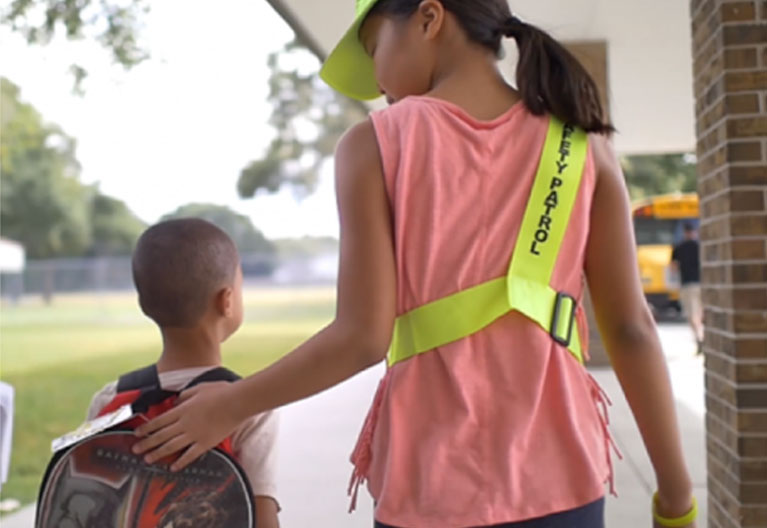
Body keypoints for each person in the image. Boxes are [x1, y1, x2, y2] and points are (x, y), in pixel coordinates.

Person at [132, 2, 697, 527]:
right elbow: (630, 329)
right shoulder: (583, 147)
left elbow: (362, 337)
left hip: (431, 489)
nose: (377, 80)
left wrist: (232, 403)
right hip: (567, 481)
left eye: (374, 47)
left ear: (429, 18)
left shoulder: (373, 145)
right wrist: (675, 496)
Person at [87, 218, 280, 528]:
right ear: (227, 300)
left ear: (144, 304)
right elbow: (263, 519)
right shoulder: (247, 405)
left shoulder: (110, 399)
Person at [672, 223, 703, 353]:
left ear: (685, 232)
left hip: (687, 284)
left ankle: (699, 337)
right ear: (694, 232)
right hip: (702, 284)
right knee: (701, 312)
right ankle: (702, 336)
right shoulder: (700, 246)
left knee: (692, 314)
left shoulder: (679, 248)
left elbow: (673, 267)